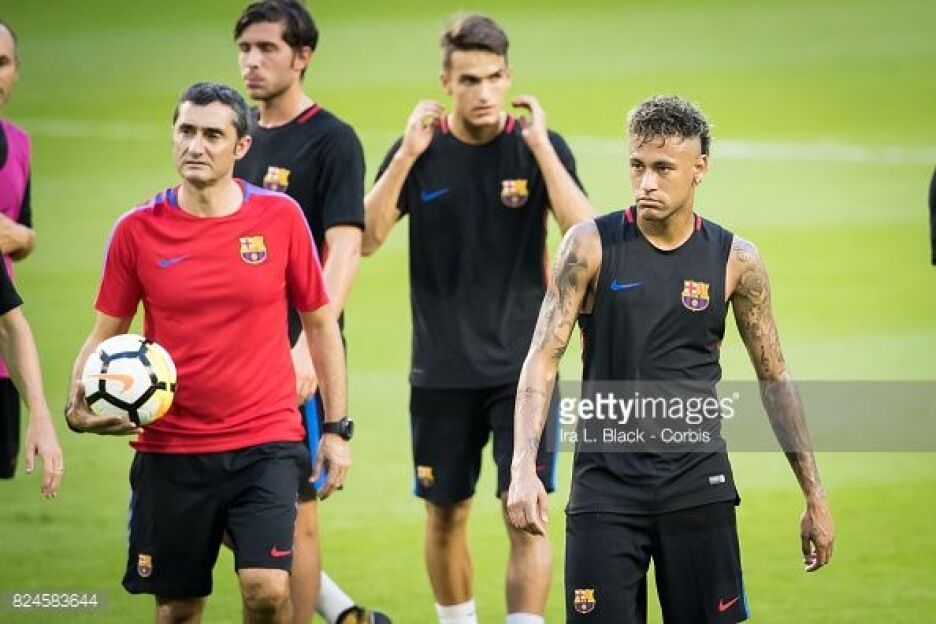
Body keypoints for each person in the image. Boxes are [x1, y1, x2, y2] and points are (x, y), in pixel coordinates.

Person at [507, 95, 836, 623]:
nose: (646, 183)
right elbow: (542, 359)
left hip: (697, 488)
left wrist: (815, 496)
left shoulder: (735, 261)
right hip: (605, 490)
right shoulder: (588, 247)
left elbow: (774, 377)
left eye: (663, 168)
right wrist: (524, 467)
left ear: (699, 169)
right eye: (637, 166)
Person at [65, 82, 351, 624]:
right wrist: (75, 403)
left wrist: (336, 430)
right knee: (177, 608)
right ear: (173, 136)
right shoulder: (136, 231)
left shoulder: (281, 218)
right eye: (186, 131)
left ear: (241, 147)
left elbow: (320, 322)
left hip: (266, 441)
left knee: (267, 590)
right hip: (172, 448)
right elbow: (105, 331)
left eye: (213, 135)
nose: (196, 145)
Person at [364, 14, 593, 624]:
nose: (484, 92)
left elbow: (585, 237)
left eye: (494, 77)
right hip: (440, 371)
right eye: (469, 80)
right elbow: (366, 238)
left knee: (527, 512)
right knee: (445, 513)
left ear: (509, 75)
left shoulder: (536, 145)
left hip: (525, 371)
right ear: (446, 83)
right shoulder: (421, 150)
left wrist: (541, 147)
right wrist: (405, 155)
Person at [231, 3, 387, 623]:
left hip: (293, 358)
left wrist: (307, 348)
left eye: (267, 47)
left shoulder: (331, 140)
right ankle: (341, 610)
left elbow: (343, 248)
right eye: (245, 47)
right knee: (209, 495)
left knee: (295, 514)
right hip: (230, 354)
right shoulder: (232, 135)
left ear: (302, 56)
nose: (252, 60)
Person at [0, 19, 43, 482]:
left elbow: (22, 230)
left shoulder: (18, 144)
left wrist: (24, 239)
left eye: (2, 63)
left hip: (3, 359)